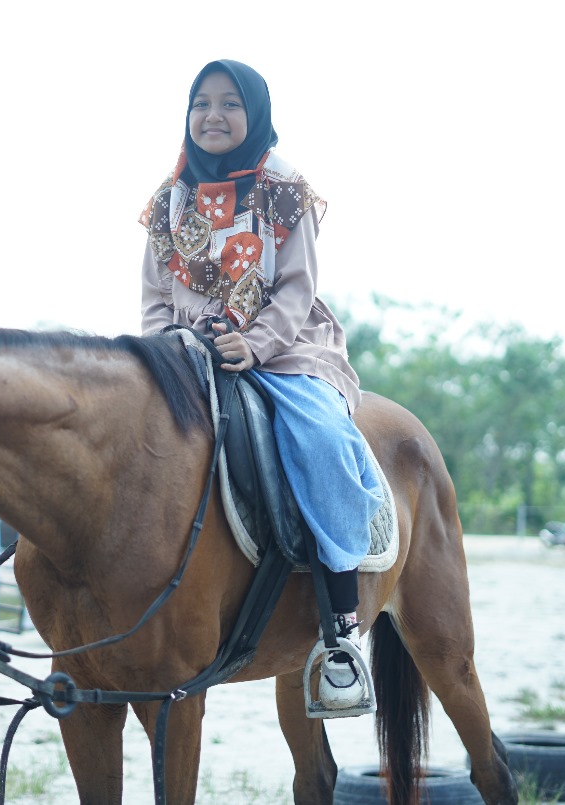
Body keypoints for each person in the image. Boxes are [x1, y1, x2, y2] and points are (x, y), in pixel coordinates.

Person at [139, 59, 384, 713]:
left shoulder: (283, 187)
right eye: (201, 103)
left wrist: (257, 343)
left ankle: (340, 626)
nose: (213, 115)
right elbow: (156, 296)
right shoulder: (170, 198)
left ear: (255, 114)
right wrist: (162, 348)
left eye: (229, 103)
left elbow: (298, 287)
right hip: (186, 350)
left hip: (285, 345)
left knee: (322, 439)